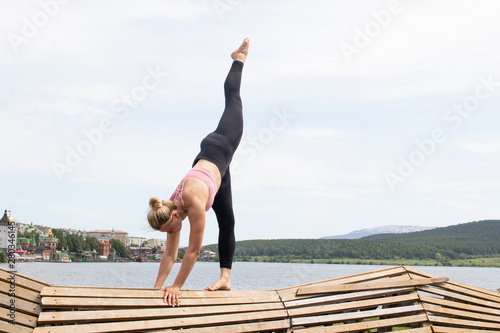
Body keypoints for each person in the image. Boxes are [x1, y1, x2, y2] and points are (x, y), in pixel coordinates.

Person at [147, 38, 249, 307]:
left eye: (170, 228)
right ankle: (225, 278)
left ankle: (238, 59)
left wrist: (176, 286)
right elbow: (170, 255)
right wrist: (158, 288)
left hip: (221, 145)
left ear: (176, 216)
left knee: (233, 101)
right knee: (227, 220)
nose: (172, 233)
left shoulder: (190, 205)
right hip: (215, 172)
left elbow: (192, 251)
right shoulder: (169, 211)